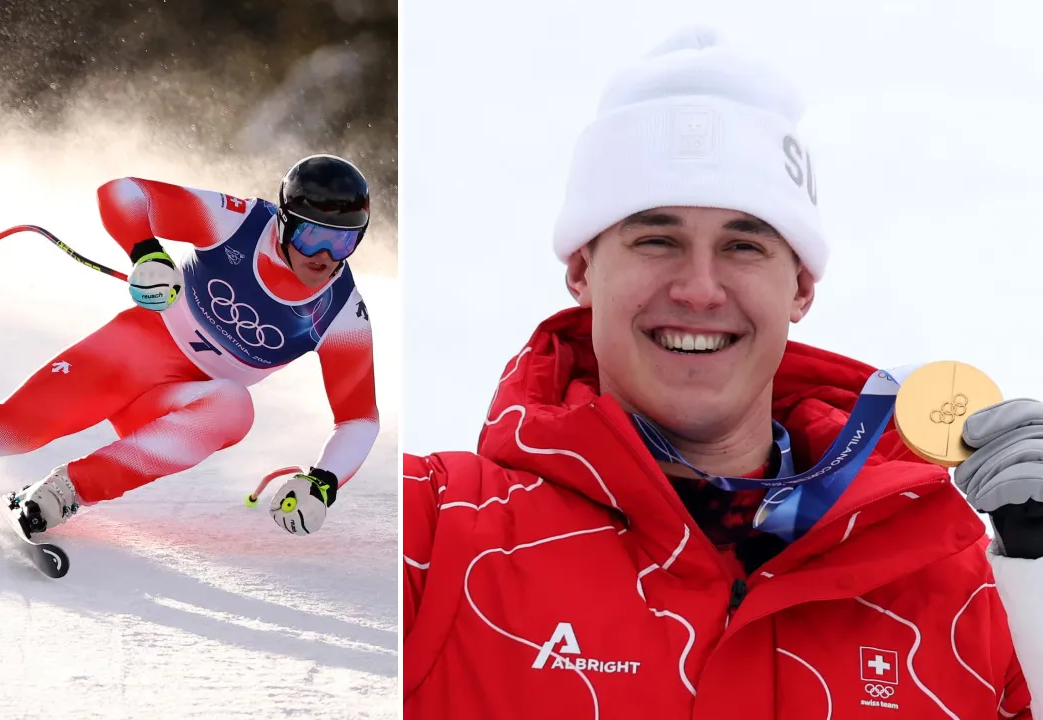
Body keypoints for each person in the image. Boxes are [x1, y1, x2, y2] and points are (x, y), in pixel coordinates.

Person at [402, 28, 1043, 718]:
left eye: (744, 244)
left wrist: (1036, 578)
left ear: (799, 287)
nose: (700, 289)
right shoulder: (439, 531)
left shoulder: (955, 575)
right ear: (584, 271)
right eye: (657, 239)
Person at [0, 154, 380, 538]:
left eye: (344, 242)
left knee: (235, 407)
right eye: (313, 234)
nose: (325, 257)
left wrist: (323, 480)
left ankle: (67, 491)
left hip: (178, 400)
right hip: (135, 352)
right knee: (15, 427)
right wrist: (147, 252)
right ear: (283, 221)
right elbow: (122, 193)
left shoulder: (341, 311)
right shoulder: (239, 222)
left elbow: (358, 418)